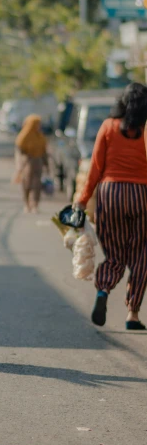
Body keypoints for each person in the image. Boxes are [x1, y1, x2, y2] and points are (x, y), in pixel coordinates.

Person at [75, 83, 147, 331]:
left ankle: (103, 290)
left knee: (115, 254)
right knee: (141, 255)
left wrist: (82, 200)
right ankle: (133, 314)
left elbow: (94, 167)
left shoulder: (108, 126)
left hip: (110, 194)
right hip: (141, 195)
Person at [15, 114, 48, 214]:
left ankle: (35, 204)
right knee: (27, 184)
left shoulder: (40, 136)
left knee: (37, 185)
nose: (39, 126)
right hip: (27, 162)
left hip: (38, 162)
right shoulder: (24, 136)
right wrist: (22, 163)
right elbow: (19, 150)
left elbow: (44, 151)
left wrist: (46, 164)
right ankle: (26, 204)